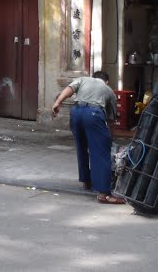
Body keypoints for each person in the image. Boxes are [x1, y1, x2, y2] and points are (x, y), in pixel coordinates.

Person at [51, 70, 126, 205]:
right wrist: (109, 136)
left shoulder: (83, 79)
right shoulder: (108, 90)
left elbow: (69, 88)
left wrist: (58, 102)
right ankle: (104, 194)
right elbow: (111, 120)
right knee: (101, 153)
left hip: (76, 112)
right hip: (93, 113)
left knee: (82, 147)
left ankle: (86, 182)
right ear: (106, 81)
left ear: (93, 78)